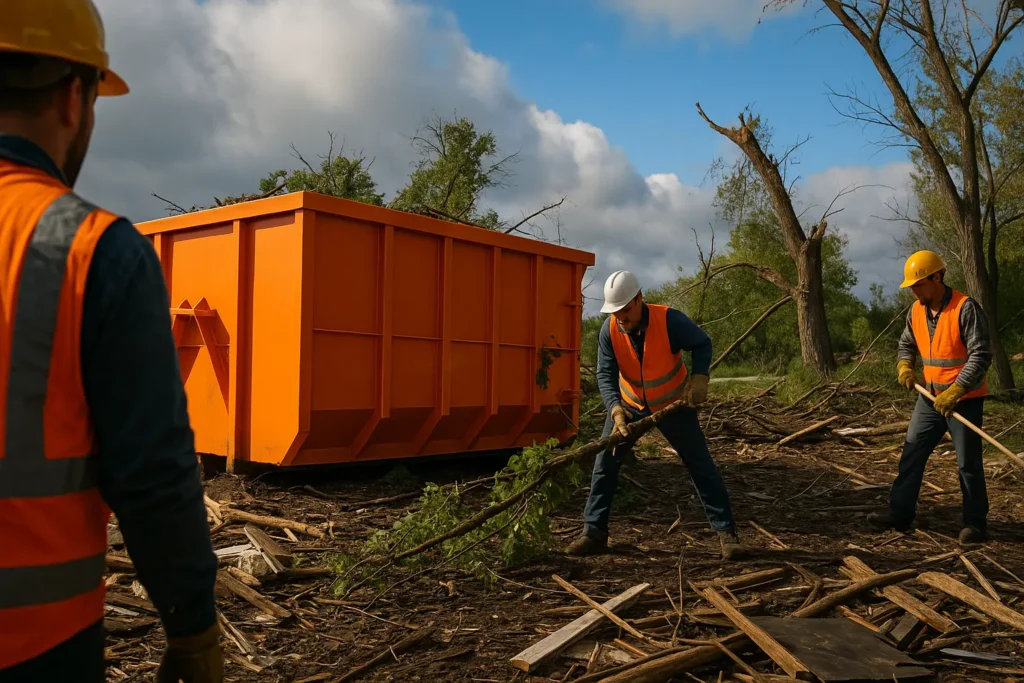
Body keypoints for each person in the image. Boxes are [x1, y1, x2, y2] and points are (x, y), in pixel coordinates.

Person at [0, 2, 222, 681]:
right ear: (75, 97)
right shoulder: (91, 250)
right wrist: (192, 628)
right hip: (36, 643)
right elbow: (154, 477)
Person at [566, 270, 745, 560]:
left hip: (673, 404)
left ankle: (727, 534)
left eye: (625, 309)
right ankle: (594, 533)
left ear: (639, 299)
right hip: (629, 407)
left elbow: (702, 343)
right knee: (605, 464)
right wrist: (615, 410)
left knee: (700, 464)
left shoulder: (670, 320)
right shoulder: (608, 330)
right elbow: (605, 373)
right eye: (615, 312)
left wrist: (700, 378)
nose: (621, 317)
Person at [868, 250, 992, 544]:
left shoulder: (965, 309)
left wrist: (958, 389)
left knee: (968, 464)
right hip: (929, 398)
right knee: (912, 453)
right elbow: (905, 344)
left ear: (937, 278)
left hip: (964, 399)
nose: (914, 290)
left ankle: (975, 523)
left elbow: (981, 354)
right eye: (911, 286)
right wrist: (904, 365)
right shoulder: (916, 311)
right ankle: (900, 513)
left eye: (918, 284)